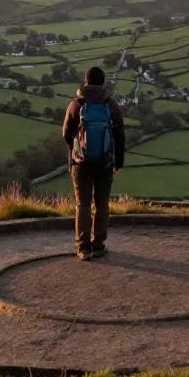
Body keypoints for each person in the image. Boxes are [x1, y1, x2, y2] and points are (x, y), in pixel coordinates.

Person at [62, 66, 126, 260]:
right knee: (102, 202)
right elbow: (120, 135)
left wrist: (78, 148)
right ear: (103, 82)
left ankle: (83, 248)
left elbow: (66, 134)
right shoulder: (111, 104)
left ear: (86, 82)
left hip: (81, 163)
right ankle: (98, 245)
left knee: (83, 204)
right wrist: (118, 161)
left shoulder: (76, 104)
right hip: (105, 162)